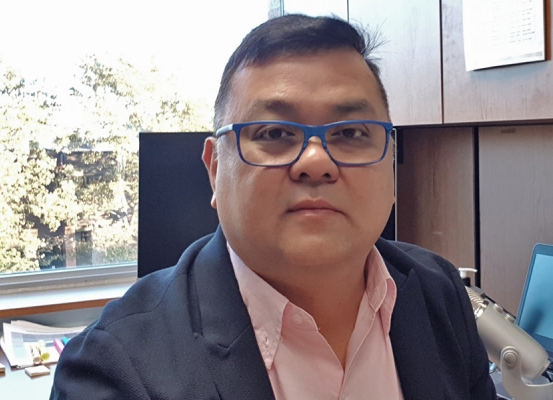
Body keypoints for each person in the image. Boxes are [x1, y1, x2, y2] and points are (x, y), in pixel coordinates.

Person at [50, 14, 496, 400]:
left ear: (390, 164)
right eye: (274, 134)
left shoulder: (439, 292)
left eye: (351, 133)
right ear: (214, 169)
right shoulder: (114, 368)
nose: (316, 162)